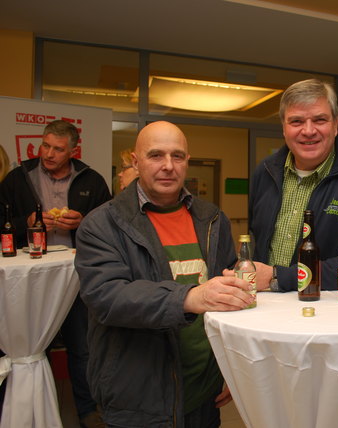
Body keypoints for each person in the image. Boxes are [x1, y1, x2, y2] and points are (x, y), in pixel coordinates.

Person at [74, 121, 254, 427]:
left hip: (203, 392)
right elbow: (107, 297)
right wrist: (189, 297)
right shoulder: (102, 224)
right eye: (156, 155)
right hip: (139, 397)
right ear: (135, 161)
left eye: (177, 156)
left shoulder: (212, 219)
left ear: (187, 161)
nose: (168, 166)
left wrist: (229, 369)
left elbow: (228, 304)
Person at [0, 119, 110, 428]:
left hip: (76, 277)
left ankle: (88, 412)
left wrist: (84, 222)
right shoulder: (18, 178)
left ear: (73, 150)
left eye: (58, 149)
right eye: (45, 145)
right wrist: (26, 223)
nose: (48, 154)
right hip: (30, 281)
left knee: (82, 347)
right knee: (34, 347)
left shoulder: (92, 180)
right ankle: (31, 410)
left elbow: (111, 224)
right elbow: (1, 223)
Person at [242, 79, 338, 292]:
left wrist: (279, 277)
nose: (308, 131)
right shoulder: (265, 172)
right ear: (284, 128)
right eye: (296, 121)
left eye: (319, 120)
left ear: (335, 125)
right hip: (265, 304)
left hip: (326, 305)